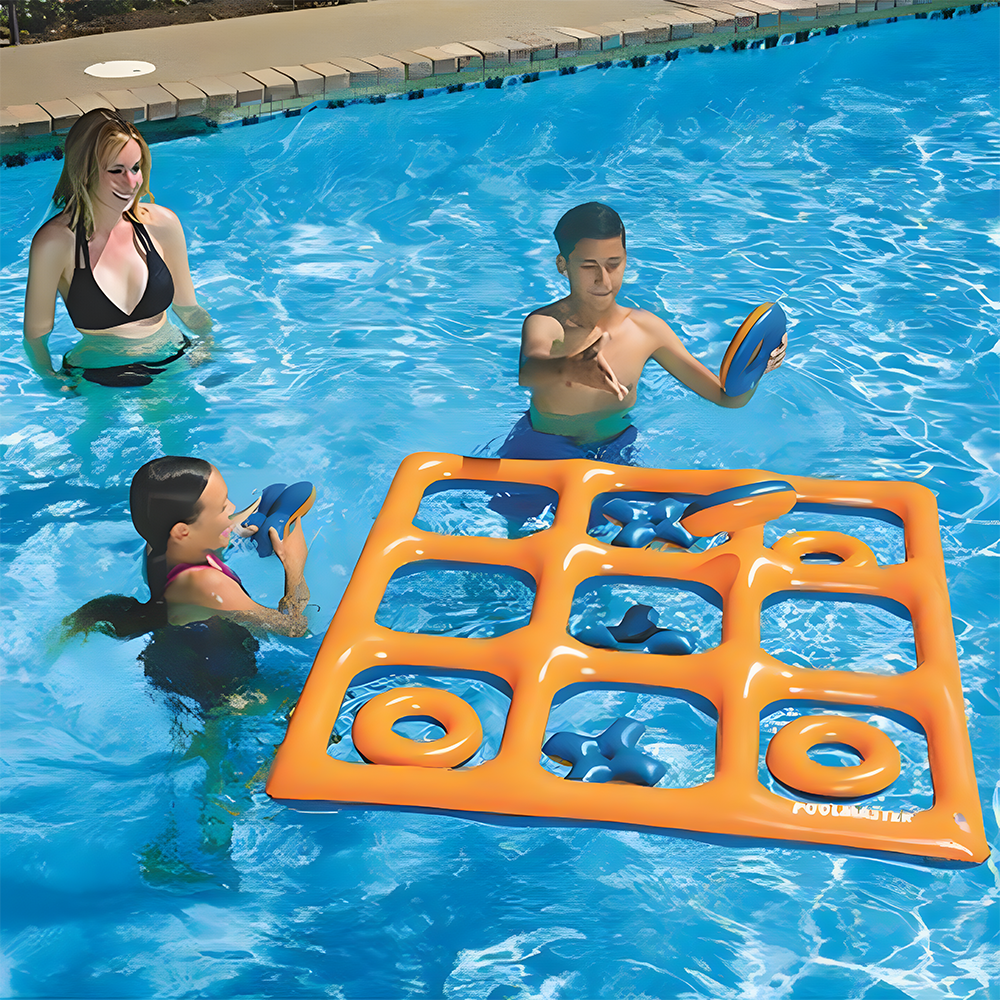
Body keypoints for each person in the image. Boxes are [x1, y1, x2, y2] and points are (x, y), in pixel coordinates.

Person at [498, 202, 787, 462]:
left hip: (615, 448)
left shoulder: (647, 330)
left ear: (626, 259)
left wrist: (759, 365)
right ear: (563, 265)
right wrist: (570, 368)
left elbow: (726, 398)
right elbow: (530, 371)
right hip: (542, 445)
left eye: (614, 264)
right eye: (588, 266)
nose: (603, 279)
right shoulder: (547, 323)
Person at [22, 108, 212, 389]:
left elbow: (188, 307)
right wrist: (51, 380)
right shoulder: (55, 243)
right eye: (116, 171)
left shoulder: (162, 225)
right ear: (85, 172)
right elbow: (36, 336)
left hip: (171, 360)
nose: (131, 183)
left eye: (135, 168)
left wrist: (208, 344)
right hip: (96, 374)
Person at [64, 457, 311, 644]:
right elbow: (293, 629)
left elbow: (201, 531)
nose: (233, 507)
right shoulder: (209, 585)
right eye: (222, 507)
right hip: (217, 683)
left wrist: (241, 524)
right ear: (183, 531)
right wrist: (294, 566)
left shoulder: (159, 545)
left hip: (177, 642)